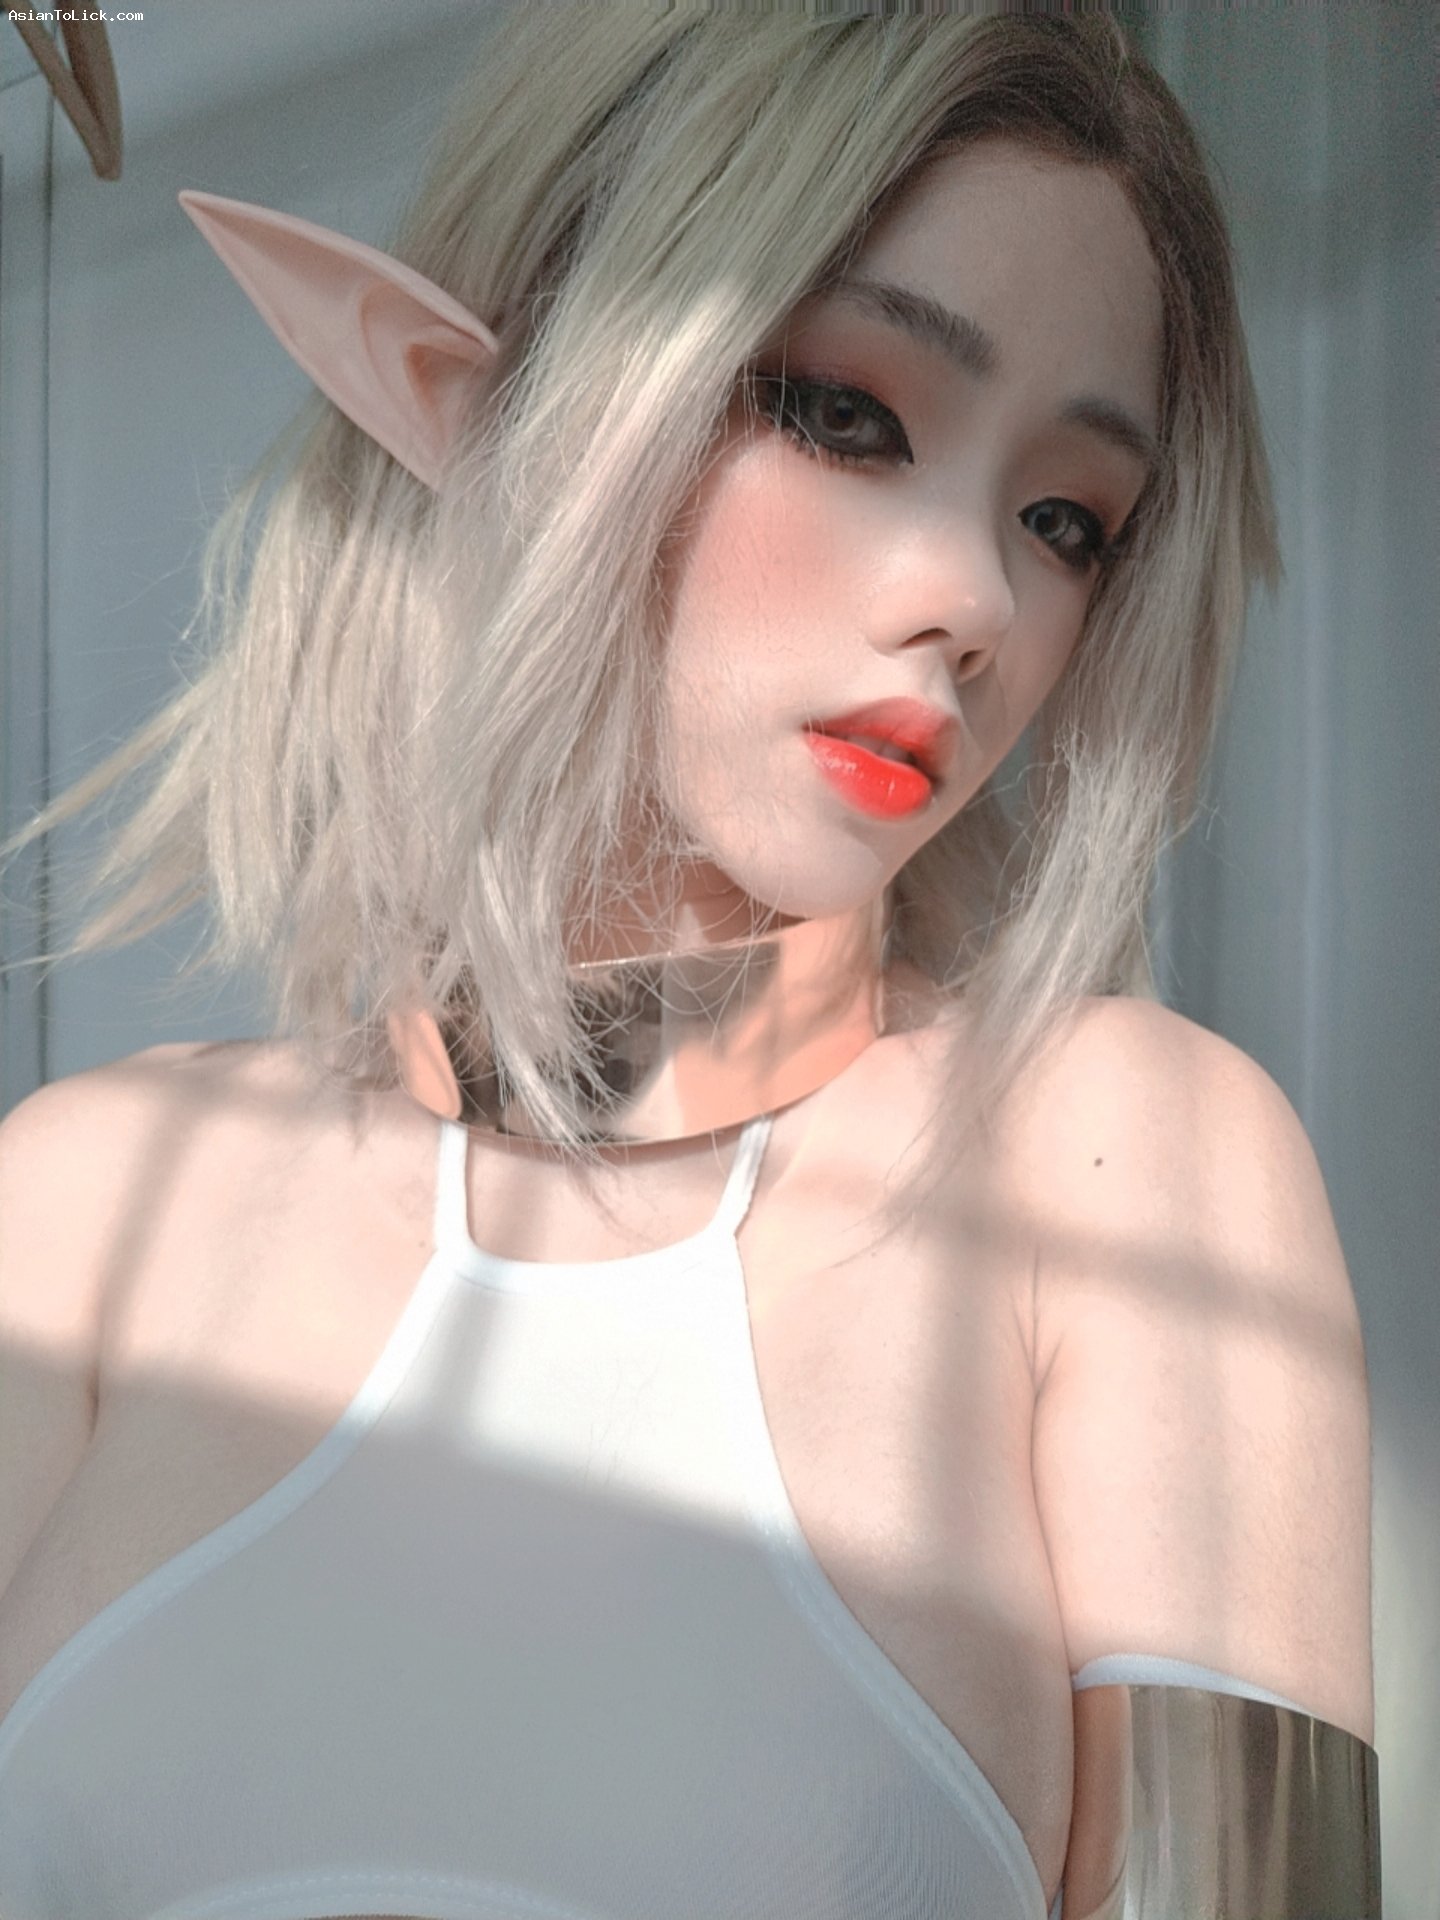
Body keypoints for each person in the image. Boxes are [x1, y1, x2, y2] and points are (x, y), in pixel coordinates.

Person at [0, 9, 1378, 1918]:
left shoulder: (1125, 1162)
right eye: (846, 413)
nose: (973, 600)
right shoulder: (79, 1205)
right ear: (499, 397)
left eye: (1065, 521)